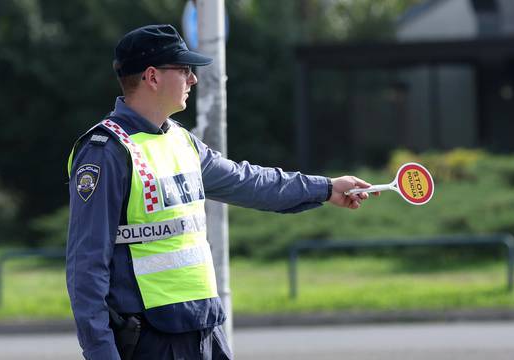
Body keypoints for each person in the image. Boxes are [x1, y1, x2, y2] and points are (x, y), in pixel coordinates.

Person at [66, 24, 373, 360]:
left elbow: (248, 182)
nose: (193, 79)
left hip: (204, 330)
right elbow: (86, 267)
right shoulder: (105, 152)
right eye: (183, 69)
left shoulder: (180, 141)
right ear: (152, 77)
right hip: (153, 341)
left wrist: (326, 188)